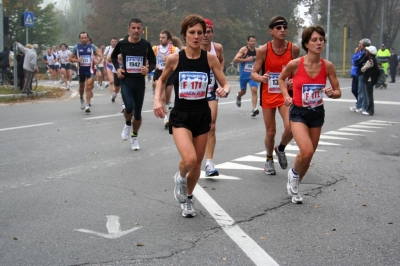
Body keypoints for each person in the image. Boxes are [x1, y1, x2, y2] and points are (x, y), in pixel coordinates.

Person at [153, 14, 230, 218]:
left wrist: (225, 90)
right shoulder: (175, 58)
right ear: (184, 35)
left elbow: (225, 82)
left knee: (197, 164)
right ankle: (180, 177)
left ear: (204, 35)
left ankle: (188, 198)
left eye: (200, 33)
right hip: (181, 115)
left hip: (202, 115)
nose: (196, 37)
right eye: (192, 33)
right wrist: (157, 100)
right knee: (189, 159)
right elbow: (161, 80)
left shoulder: (210, 58)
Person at [279, 25, 341, 204]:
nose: (319, 42)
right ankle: (293, 173)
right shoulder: (296, 64)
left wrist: (332, 93)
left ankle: (296, 186)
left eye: (321, 39)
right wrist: (285, 96)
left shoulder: (327, 66)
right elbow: (282, 79)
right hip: (298, 112)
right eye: (314, 40)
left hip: (317, 113)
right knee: (305, 151)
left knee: (310, 154)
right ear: (306, 43)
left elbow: (338, 92)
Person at [251, 15, 300, 175]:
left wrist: (294, 80)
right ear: (271, 31)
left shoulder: (294, 49)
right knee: (270, 131)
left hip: (286, 94)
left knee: (291, 128)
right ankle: (269, 159)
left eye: (285, 27)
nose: (283, 30)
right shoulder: (264, 50)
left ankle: (280, 148)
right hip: (268, 94)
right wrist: (261, 77)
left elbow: (298, 70)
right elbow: (254, 73)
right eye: (278, 28)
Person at [112, 18, 156, 151]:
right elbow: (114, 57)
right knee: (129, 107)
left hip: (139, 82)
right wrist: (118, 68)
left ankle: (134, 137)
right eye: (134, 28)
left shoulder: (146, 44)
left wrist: (148, 69)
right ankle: (127, 124)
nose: (136, 30)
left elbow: (153, 62)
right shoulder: (122, 44)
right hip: (126, 80)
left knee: (137, 115)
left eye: (138, 28)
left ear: (142, 30)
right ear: (129, 29)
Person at [200, 18, 225, 177]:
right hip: (193, 93)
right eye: (203, 32)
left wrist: (219, 74)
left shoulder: (217, 48)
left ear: (211, 33)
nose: (205, 35)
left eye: (208, 32)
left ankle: (209, 163)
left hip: (210, 91)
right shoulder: (190, 48)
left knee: (211, 125)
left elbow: (221, 61)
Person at [152, 29, 180, 129]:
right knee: (162, 96)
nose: (161, 39)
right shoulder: (155, 48)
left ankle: (168, 108)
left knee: (167, 98)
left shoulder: (174, 50)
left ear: (168, 40)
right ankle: (166, 120)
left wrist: (168, 60)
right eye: (160, 37)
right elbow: (149, 59)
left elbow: (179, 61)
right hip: (159, 73)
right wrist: (152, 64)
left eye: (163, 38)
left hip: (169, 73)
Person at [70, 32, 100, 112]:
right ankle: (81, 98)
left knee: (89, 86)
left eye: (85, 37)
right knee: (81, 87)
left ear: (87, 38)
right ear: (80, 39)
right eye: (82, 38)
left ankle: (87, 104)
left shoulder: (92, 47)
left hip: (90, 70)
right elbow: (70, 58)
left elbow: (98, 54)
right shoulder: (76, 47)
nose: (84, 39)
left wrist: (98, 60)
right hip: (81, 71)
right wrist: (77, 60)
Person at [234, 35, 260, 117]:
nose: (253, 43)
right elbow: (235, 59)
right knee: (243, 92)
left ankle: (254, 109)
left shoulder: (257, 51)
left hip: (253, 74)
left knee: (254, 90)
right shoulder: (244, 50)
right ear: (247, 41)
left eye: (254, 41)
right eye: (251, 41)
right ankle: (238, 95)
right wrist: (246, 60)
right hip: (244, 74)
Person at [352, 38, 371, 113]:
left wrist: (358, 61)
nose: (359, 45)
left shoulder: (366, 53)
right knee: (359, 90)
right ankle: (359, 105)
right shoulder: (361, 52)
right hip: (358, 72)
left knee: (362, 91)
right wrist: (356, 54)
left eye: (360, 43)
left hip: (363, 73)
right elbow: (355, 61)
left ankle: (364, 106)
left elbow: (358, 62)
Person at [360, 46, 379, 116]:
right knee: (370, 95)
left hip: (369, 79)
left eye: (367, 51)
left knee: (369, 96)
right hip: (372, 79)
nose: (366, 52)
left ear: (370, 52)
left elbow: (363, 69)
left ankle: (370, 110)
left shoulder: (370, 60)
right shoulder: (374, 59)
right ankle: (370, 110)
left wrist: (363, 67)